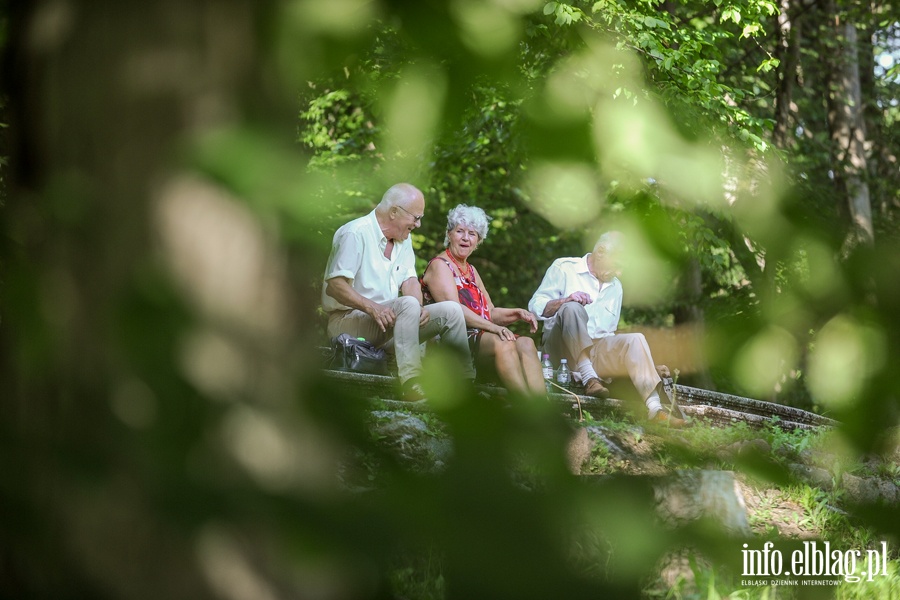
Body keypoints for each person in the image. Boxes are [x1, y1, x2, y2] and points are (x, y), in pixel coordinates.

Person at [322, 183, 475, 401]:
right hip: (348, 323)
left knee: (451, 311)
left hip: (389, 323)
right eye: (416, 217)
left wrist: (418, 309)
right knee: (407, 305)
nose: (419, 224)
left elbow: (410, 280)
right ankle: (412, 385)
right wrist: (372, 308)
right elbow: (335, 285)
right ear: (394, 212)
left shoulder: (403, 240)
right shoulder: (355, 233)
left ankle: (466, 385)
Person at [528, 231, 685, 426]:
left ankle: (656, 410)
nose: (619, 272)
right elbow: (535, 307)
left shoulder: (616, 286)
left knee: (635, 338)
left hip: (595, 352)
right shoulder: (564, 268)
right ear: (601, 252)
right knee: (572, 308)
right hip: (559, 350)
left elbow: (608, 336)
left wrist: (643, 364)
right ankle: (589, 378)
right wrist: (565, 300)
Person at [421, 204, 545, 395]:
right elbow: (456, 311)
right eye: (459, 231)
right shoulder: (440, 265)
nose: (465, 238)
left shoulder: (471, 270)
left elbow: (490, 313)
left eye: (472, 234)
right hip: (453, 338)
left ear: (478, 241)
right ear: (449, 235)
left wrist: (517, 314)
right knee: (503, 341)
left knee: (527, 343)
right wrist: (495, 329)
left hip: (481, 336)